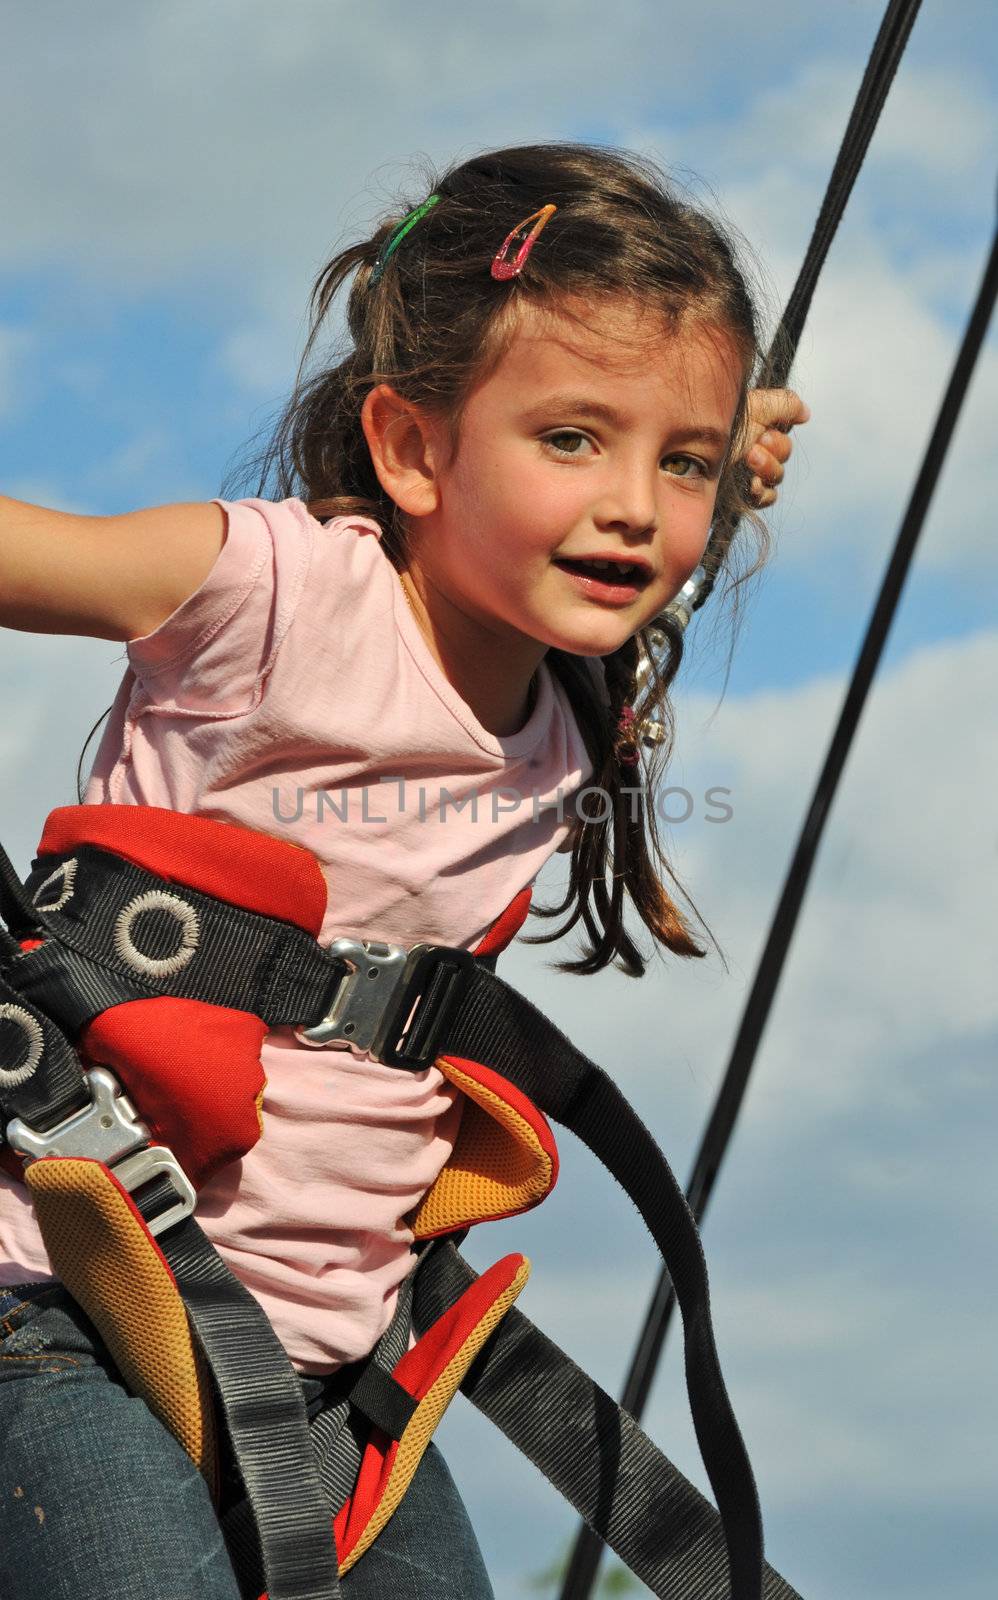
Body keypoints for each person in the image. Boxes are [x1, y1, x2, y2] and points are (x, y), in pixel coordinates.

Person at [0, 142, 810, 1599]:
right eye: (571, 440)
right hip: (61, 1304)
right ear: (413, 450)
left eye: (676, 463)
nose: (635, 504)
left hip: (333, 1360)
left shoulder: (572, 688)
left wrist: (710, 439)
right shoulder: (277, 593)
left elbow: (623, 499)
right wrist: (678, 432)